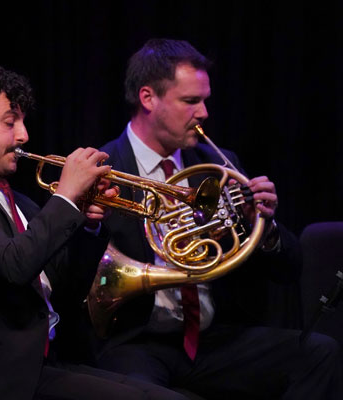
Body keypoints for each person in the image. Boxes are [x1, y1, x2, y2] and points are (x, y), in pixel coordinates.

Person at [0, 64, 187, 400]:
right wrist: (66, 196)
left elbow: (67, 288)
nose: (24, 135)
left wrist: (88, 225)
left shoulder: (19, 201)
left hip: (43, 367)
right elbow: (13, 266)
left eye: (23, 122)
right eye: (10, 122)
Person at [93, 39, 343, 399]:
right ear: (148, 99)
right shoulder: (103, 170)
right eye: (191, 101)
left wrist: (265, 226)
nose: (205, 112)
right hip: (136, 340)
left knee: (320, 352)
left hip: (212, 338)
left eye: (205, 100)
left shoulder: (219, 165)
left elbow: (288, 268)